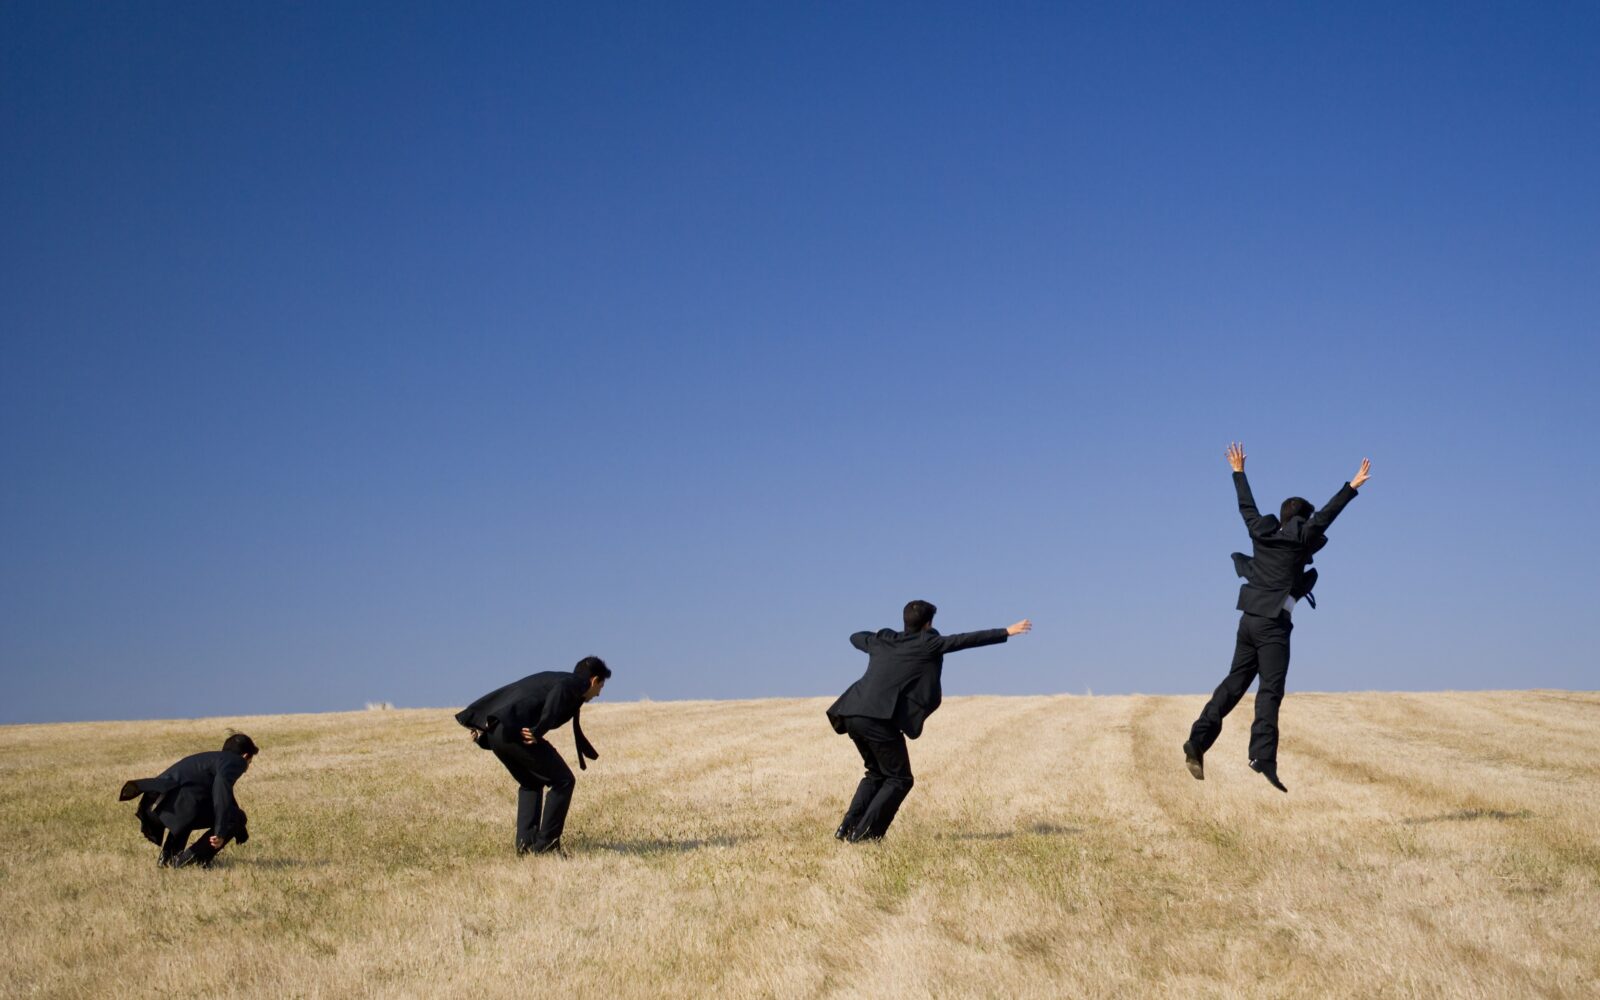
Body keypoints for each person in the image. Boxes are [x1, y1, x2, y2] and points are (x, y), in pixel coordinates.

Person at [1184, 443, 1371, 792]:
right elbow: (1327, 514)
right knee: (1270, 689)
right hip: (1272, 626)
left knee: (1234, 684)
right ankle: (1262, 757)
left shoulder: (1262, 533)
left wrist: (1238, 473)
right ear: (1302, 519)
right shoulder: (1301, 538)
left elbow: (1247, 508)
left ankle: (1197, 740)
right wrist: (1352, 486)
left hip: (1248, 620)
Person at [826, 601, 1031, 842]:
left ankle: (847, 828)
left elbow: (855, 637)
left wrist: (881, 635)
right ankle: (865, 837)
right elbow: (964, 640)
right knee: (899, 779)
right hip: (878, 718)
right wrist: (1006, 631)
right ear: (928, 624)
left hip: (851, 712)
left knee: (876, 774)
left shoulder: (883, 640)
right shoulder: (928, 643)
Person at [456, 656, 610, 856]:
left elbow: (512, 691)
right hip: (514, 733)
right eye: (601, 686)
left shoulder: (554, 679)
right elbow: (560, 691)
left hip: (499, 734)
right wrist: (539, 729)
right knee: (564, 780)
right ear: (594, 680)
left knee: (531, 782)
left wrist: (482, 725)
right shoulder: (573, 683)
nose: (598, 693)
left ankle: (526, 847)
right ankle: (546, 846)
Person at [119, 733, 259, 868]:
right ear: (245, 756)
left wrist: (240, 831)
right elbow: (221, 791)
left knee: (195, 802)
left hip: (155, 806)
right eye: (249, 762)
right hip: (171, 807)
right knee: (235, 816)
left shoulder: (212, 759)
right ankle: (189, 862)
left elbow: (225, 798)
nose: (246, 767)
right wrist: (220, 831)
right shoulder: (236, 761)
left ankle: (168, 858)